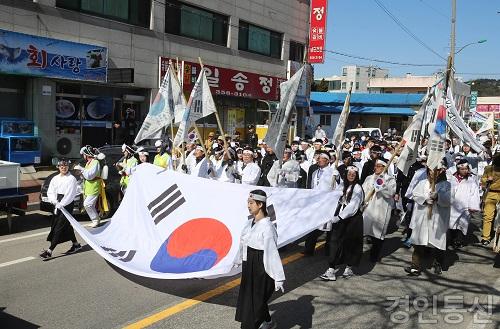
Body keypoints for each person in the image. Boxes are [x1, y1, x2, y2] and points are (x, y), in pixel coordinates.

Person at [234, 190, 285, 329]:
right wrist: (239, 259)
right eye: (248, 202)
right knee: (251, 298)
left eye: (251, 203)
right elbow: (243, 242)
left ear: (260, 204)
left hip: (260, 266)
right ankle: (267, 321)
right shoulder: (249, 223)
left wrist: (278, 277)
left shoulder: (268, 227)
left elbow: (272, 253)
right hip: (249, 264)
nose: (248, 206)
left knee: (254, 302)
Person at [319, 166, 364, 280]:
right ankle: (331, 269)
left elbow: (352, 206)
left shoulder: (357, 188)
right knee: (334, 242)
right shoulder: (343, 185)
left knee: (351, 243)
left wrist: (339, 217)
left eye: (354, 173)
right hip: (340, 217)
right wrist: (336, 179)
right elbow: (334, 194)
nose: (351, 175)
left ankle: (348, 267)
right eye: (349, 173)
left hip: (352, 219)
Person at [405, 165, 451, 276]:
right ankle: (415, 266)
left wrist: (438, 197)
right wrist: (425, 199)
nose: (432, 173)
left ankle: (438, 263)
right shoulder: (423, 183)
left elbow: (449, 199)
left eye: (436, 170)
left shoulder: (446, 185)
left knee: (437, 243)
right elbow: (415, 194)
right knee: (419, 242)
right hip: (423, 217)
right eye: (430, 170)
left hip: (437, 218)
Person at [39, 159, 81, 260]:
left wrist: (61, 204)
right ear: (58, 167)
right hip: (57, 202)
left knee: (59, 226)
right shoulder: (55, 178)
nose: (63, 167)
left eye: (65, 166)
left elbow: (70, 195)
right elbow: (51, 191)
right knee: (65, 225)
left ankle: (49, 251)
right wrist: (54, 201)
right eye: (61, 166)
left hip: (66, 204)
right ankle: (76, 244)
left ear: (68, 167)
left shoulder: (71, 179)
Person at [303, 151, 339, 256]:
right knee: (312, 226)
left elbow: (339, 187)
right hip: (315, 203)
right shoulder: (315, 172)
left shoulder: (333, 172)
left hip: (327, 204)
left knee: (327, 227)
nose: (318, 159)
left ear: (327, 160)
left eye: (321, 158)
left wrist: (337, 179)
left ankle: (328, 250)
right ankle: (308, 249)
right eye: (318, 157)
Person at [362, 159, 396, 262]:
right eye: (375, 165)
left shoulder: (390, 179)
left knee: (377, 234)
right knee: (363, 230)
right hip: (368, 208)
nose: (376, 167)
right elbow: (363, 190)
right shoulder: (369, 178)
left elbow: (390, 193)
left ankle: (374, 255)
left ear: (384, 167)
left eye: (379, 166)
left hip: (381, 209)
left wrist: (382, 186)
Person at [449, 159, 480, 249]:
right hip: (453, 206)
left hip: (465, 207)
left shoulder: (471, 180)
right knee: (452, 224)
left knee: (462, 225)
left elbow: (474, 194)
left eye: (466, 169)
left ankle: (459, 240)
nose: (464, 171)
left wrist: (472, 206)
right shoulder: (452, 179)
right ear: (458, 169)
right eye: (462, 169)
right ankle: (452, 239)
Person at [75, 145, 105, 228]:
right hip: (89, 186)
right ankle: (95, 220)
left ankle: (96, 219)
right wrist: (81, 173)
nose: (83, 156)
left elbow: (90, 175)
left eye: (84, 154)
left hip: (94, 186)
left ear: (87, 154)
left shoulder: (95, 162)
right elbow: (86, 175)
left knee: (87, 204)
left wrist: (81, 169)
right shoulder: (88, 163)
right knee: (90, 204)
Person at [480, 153, 500, 245]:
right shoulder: (489, 169)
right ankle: (486, 237)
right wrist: (487, 180)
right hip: (491, 193)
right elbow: (482, 180)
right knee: (488, 216)